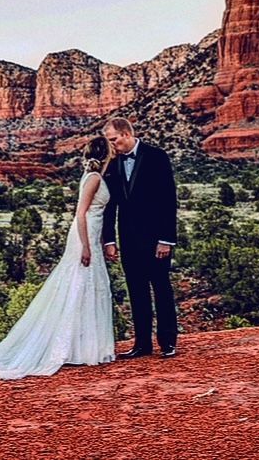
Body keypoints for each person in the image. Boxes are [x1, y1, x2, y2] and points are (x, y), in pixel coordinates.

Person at [0, 137, 116, 380]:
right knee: (79, 284)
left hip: (92, 234)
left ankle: (83, 348)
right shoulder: (94, 179)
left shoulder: (95, 176)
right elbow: (80, 214)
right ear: (105, 153)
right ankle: (76, 349)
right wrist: (85, 245)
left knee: (87, 286)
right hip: (85, 235)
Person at [100, 117, 179, 358]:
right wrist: (109, 240)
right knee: (136, 291)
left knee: (161, 288)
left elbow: (168, 199)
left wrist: (166, 239)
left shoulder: (157, 156)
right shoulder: (112, 163)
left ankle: (168, 342)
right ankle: (142, 344)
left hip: (157, 239)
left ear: (126, 133)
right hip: (128, 238)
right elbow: (108, 205)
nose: (112, 145)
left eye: (114, 140)